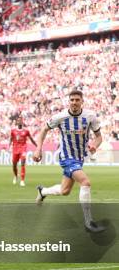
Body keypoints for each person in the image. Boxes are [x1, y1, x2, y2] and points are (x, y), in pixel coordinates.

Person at [34, 89, 105, 233]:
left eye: (77, 100)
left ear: (82, 101)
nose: (74, 102)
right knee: (85, 182)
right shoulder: (61, 117)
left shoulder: (90, 116)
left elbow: (99, 137)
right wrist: (38, 149)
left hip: (79, 158)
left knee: (64, 190)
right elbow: (43, 130)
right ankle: (88, 222)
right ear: (69, 101)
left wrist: (94, 146)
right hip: (66, 157)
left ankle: (43, 191)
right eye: (72, 100)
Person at [9, 116, 37, 186]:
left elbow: (31, 139)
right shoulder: (13, 131)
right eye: (18, 121)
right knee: (14, 165)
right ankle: (15, 176)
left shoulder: (26, 131)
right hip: (15, 149)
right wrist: (9, 146)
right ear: (16, 122)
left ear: (22, 122)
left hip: (23, 148)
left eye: (21, 120)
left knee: (22, 163)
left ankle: (22, 180)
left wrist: (37, 146)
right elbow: (11, 139)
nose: (20, 122)